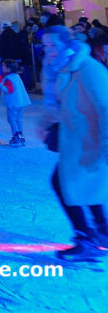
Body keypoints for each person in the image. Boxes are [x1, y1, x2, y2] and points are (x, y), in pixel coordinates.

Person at [40, 25, 108, 261]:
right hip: (76, 141)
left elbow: (105, 107)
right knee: (83, 186)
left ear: (67, 43)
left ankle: (88, 238)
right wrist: (46, 122)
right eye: (45, 45)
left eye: (54, 45)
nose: (49, 50)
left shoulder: (88, 68)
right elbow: (56, 103)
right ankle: (101, 231)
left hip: (92, 141)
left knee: (65, 184)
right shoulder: (60, 67)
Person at [0, 60, 31, 147]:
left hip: (13, 103)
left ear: (9, 68)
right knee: (18, 119)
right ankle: (21, 136)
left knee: (12, 120)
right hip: (21, 102)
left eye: (3, 66)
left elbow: (8, 90)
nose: (2, 67)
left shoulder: (9, 78)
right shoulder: (16, 76)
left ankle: (16, 137)